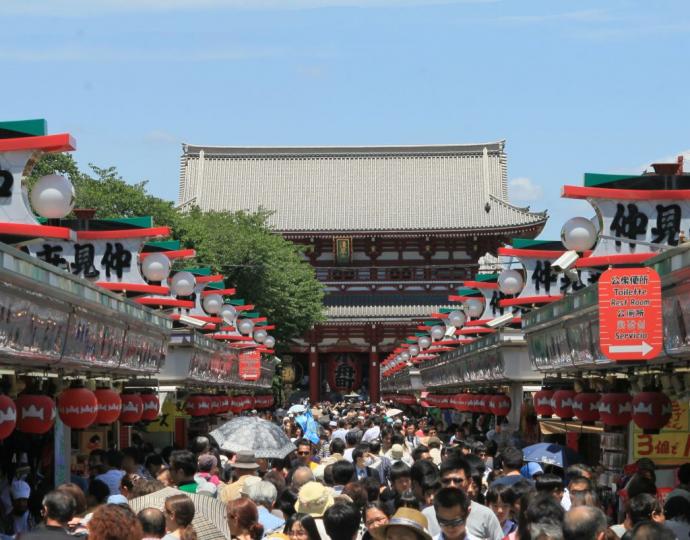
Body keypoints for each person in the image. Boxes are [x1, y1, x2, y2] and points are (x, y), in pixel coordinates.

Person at [425, 454, 502, 540]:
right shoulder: (427, 516)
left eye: (457, 481)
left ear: (469, 481)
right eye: (446, 481)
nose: (452, 485)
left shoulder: (486, 515)